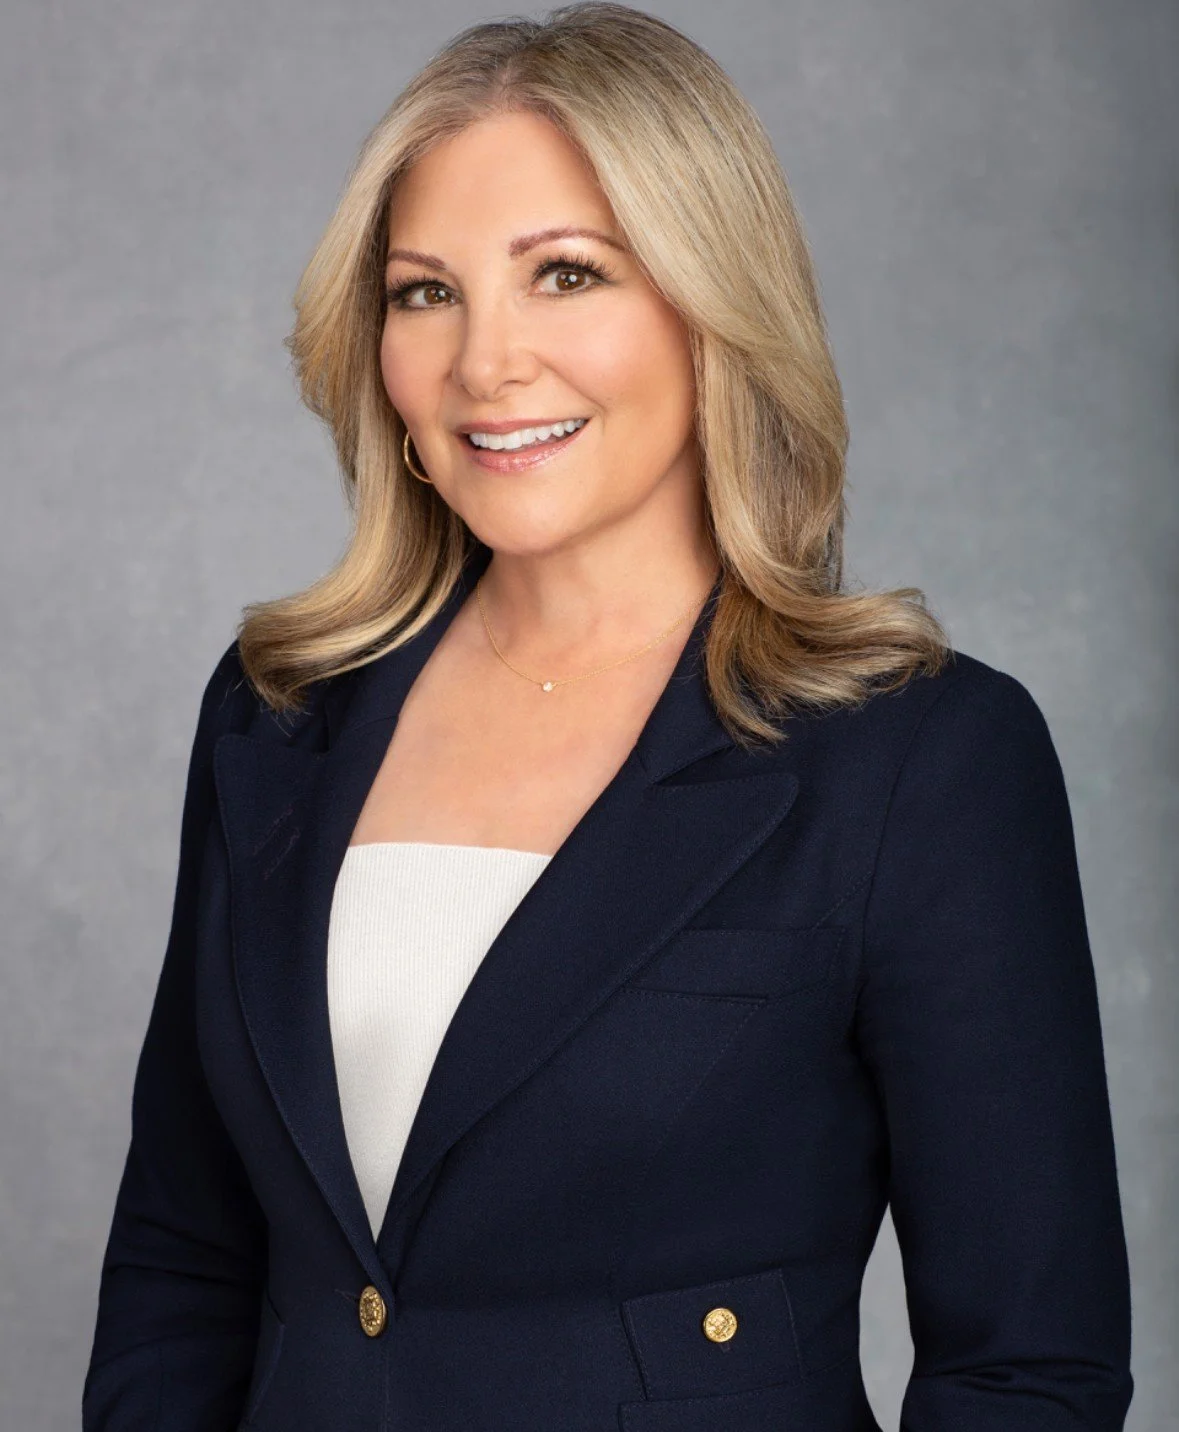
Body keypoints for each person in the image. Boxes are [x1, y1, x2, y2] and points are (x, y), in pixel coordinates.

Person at [81, 4, 1133, 1429]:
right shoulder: (277, 715)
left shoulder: (923, 758)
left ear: (713, 307)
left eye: (565, 274)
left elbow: (1026, 1371)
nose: (485, 363)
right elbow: (184, 1261)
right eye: (424, 293)